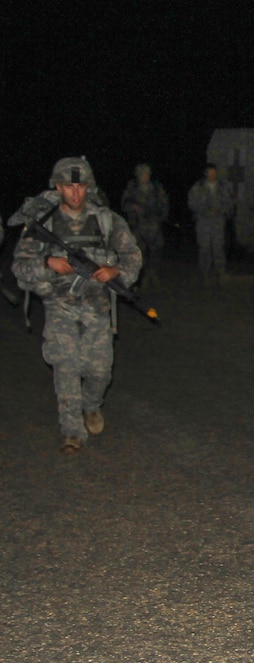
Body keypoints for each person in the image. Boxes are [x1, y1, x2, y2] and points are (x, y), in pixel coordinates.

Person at [10, 157, 143, 454]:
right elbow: (19, 267)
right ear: (57, 187)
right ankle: (72, 431)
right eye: (68, 186)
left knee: (100, 372)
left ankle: (92, 405)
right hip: (59, 304)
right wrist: (47, 263)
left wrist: (116, 271)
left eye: (80, 186)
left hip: (97, 304)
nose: (74, 193)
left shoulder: (106, 220)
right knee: (65, 366)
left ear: (88, 187)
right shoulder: (42, 223)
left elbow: (133, 256)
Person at [121, 163, 170, 287]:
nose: (145, 176)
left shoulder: (156, 188)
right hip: (138, 225)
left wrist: (159, 217)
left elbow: (165, 204)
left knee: (156, 250)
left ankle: (152, 273)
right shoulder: (132, 188)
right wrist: (134, 208)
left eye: (147, 174)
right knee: (139, 253)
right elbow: (124, 204)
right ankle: (142, 277)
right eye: (143, 174)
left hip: (154, 224)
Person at [187, 163, 234, 288]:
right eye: (210, 172)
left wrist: (219, 210)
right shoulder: (198, 187)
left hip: (218, 221)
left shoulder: (222, 187)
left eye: (214, 172)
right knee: (205, 249)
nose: (213, 175)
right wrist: (204, 210)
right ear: (205, 173)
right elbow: (192, 203)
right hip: (203, 222)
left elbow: (229, 203)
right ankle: (205, 275)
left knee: (218, 248)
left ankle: (221, 273)